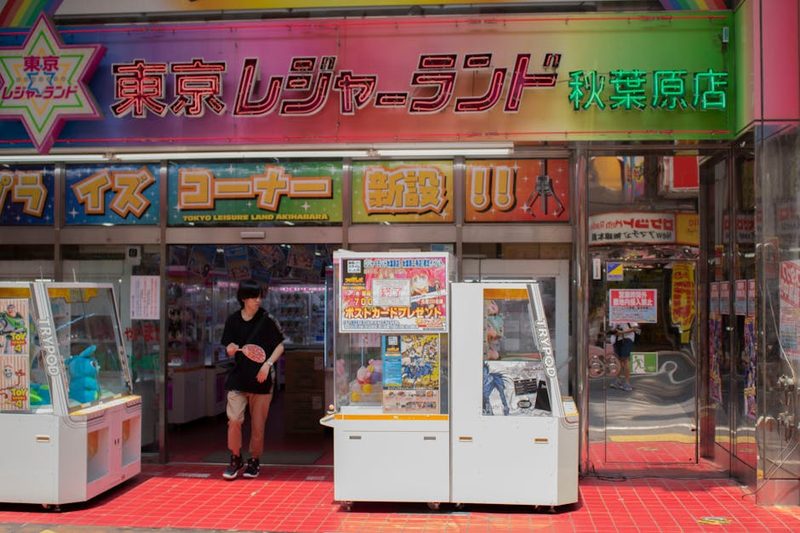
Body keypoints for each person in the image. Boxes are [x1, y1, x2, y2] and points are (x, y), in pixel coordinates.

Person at [220, 279, 285, 480]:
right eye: (253, 297)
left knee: (258, 425)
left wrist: (267, 365)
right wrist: (230, 349)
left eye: (259, 297)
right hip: (238, 379)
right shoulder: (232, 320)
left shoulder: (267, 320)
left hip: (261, 381)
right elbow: (228, 346)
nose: (258, 300)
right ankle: (235, 457)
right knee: (234, 420)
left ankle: (254, 460)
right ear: (243, 298)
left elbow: (280, 345)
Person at [610, 322, 639, 392]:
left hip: (626, 339)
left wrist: (622, 332)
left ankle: (627, 382)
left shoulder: (628, 313)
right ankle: (618, 380)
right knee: (618, 360)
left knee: (625, 359)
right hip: (616, 340)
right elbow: (612, 328)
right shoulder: (614, 316)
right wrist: (613, 331)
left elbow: (635, 328)